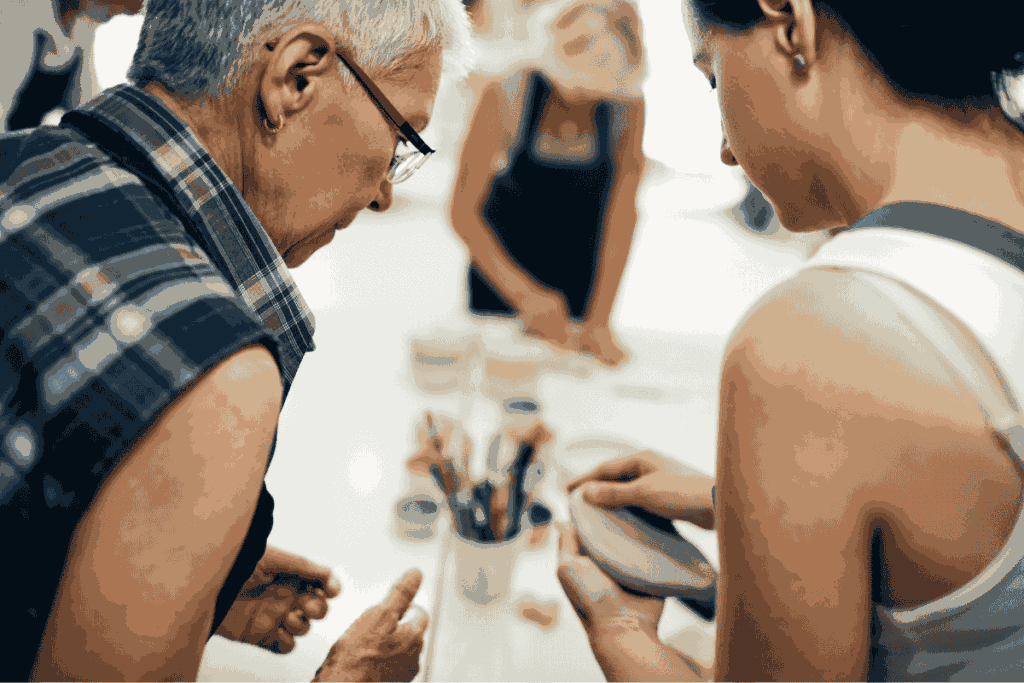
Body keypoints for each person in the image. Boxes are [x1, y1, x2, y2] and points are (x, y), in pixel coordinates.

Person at [0, 0, 470, 679]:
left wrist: (186, 591)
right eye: (401, 136)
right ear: (296, 78)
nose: (382, 194)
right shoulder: (210, 367)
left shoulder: (18, 162)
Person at [557, 0, 1024, 680]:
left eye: (713, 76)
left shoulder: (816, 344)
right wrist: (745, 507)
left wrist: (624, 635)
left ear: (791, 24)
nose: (722, 147)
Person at [449, 0, 646, 366]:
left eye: (597, 92)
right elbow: (462, 211)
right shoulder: (507, 93)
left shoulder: (626, 106)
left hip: (579, 283)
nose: (586, 100)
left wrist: (599, 321)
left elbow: (622, 214)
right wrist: (524, 295)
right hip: (500, 283)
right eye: (577, 87)